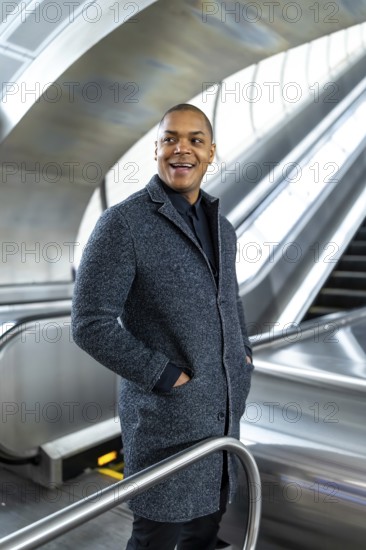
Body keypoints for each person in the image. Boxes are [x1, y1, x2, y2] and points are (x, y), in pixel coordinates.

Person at [71, 104, 254, 550]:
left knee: (206, 531)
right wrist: (164, 375)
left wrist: (244, 355)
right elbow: (89, 324)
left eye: (195, 140)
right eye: (171, 138)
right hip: (166, 420)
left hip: (223, 414)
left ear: (211, 152)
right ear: (156, 149)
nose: (182, 149)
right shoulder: (123, 224)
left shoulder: (223, 229)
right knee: (157, 536)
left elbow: (229, 302)